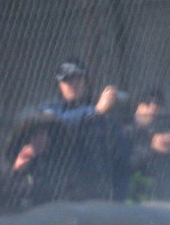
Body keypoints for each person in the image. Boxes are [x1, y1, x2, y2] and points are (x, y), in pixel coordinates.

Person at [39, 59, 129, 201]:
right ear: (59, 84)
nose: (73, 83)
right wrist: (96, 112)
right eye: (67, 79)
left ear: (85, 80)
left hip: (99, 188)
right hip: (62, 191)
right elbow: (60, 124)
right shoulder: (49, 109)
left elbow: (120, 153)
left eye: (77, 78)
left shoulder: (99, 111)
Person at [0, 110, 71, 212]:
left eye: (42, 134)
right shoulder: (11, 158)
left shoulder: (57, 158)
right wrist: (16, 171)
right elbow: (4, 193)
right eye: (34, 135)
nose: (39, 139)